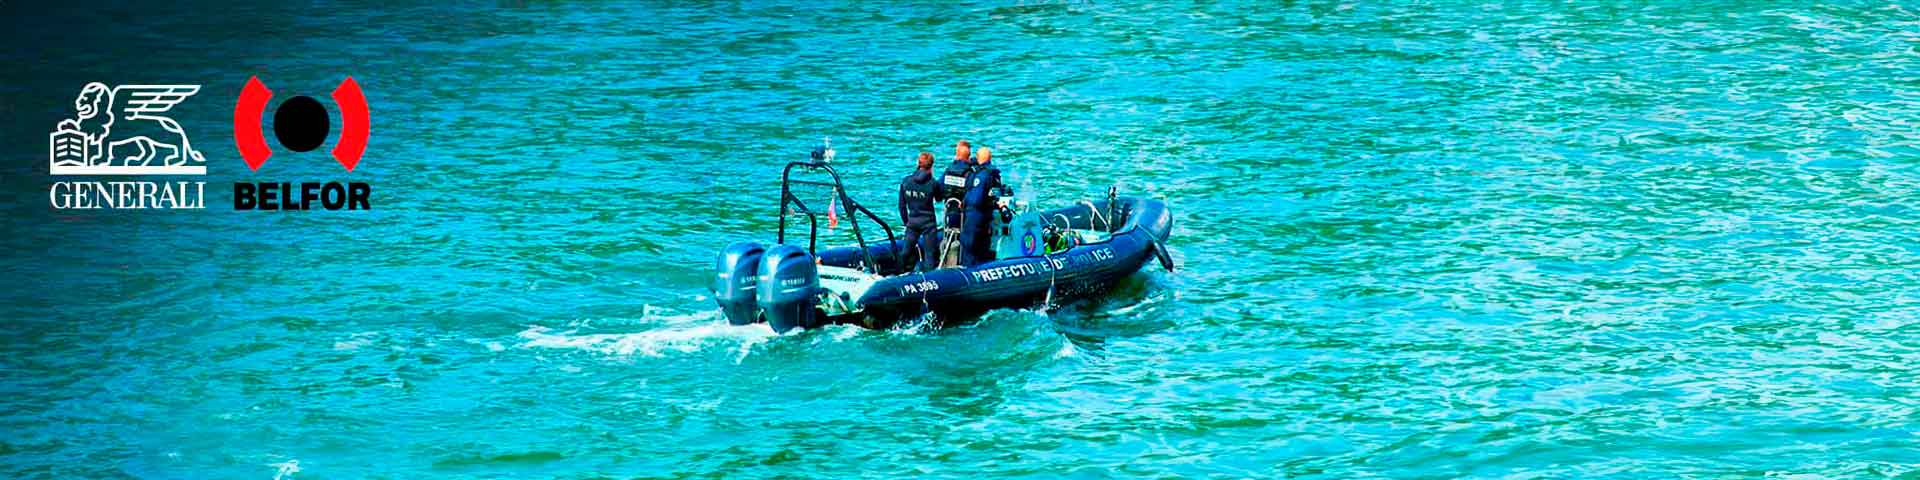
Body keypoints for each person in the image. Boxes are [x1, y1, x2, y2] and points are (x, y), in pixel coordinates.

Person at [960, 146, 1006, 266]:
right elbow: (994, 194)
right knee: (977, 244)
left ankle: (969, 267)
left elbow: (972, 195)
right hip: (982, 213)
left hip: (973, 213)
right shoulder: (991, 174)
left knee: (969, 243)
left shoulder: (976, 173)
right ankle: (975, 267)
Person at [934, 140, 976, 268]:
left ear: (956, 155)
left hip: (949, 215)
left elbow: (939, 191)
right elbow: (974, 196)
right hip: (964, 217)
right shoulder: (970, 174)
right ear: (968, 157)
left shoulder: (948, 171)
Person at [896, 152, 940, 272]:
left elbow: (902, 206)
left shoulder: (906, 181)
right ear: (931, 166)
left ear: (918, 164)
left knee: (905, 252)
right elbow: (939, 198)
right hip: (928, 223)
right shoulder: (933, 183)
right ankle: (929, 281)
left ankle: (898, 274)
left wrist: (907, 222)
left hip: (912, 222)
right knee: (929, 255)